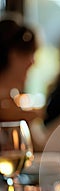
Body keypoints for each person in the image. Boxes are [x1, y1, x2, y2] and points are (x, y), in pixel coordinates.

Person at [0, 18, 45, 151]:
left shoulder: (16, 101)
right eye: (28, 54)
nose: (32, 62)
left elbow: (41, 146)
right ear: (12, 55)